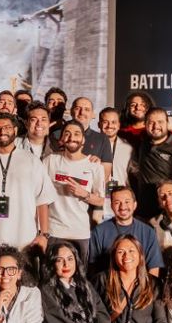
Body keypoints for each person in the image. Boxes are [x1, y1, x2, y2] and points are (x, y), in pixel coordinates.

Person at [0, 113, 53, 277]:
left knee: (27, 287)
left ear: (15, 130)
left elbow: (43, 199)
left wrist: (44, 235)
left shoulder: (31, 161)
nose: (2, 132)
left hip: (25, 242)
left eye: (6, 127)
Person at [45, 121, 107, 262]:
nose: (72, 137)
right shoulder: (50, 160)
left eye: (77, 134)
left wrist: (84, 194)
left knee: (80, 273)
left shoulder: (94, 166)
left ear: (83, 139)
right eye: (67, 134)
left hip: (80, 232)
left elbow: (101, 200)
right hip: (54, 230)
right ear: (62, 139)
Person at [130, 108, 172, 221]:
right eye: (151, 122)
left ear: (167, 123)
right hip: (143, 213)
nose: (155, 126)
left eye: (160, 122)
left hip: (169, 215)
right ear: (145, 124)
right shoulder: (143, 142)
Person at [90, 187, 165, 279]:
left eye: (127, 202)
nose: (123, 207)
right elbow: (93, 267)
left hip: (141, 284)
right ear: (111, 206)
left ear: (135, 205)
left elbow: (154, 267)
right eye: (117, 203)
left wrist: (148, 287)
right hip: (109, 283)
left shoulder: (148, 232)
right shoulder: (99, 231)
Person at [95, 107, 134, 216]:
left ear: (119, 125)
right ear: (99, 124)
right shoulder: (90, 146)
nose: (109, 126)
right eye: (105, 122)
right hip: (96, 203)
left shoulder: (128, 148)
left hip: (121, 206)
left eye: (113, 122)